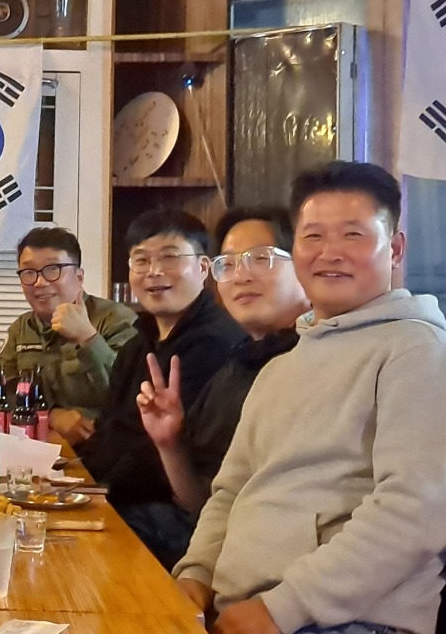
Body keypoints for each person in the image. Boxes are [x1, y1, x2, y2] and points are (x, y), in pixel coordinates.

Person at [174, 161, 446, 634]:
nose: (329, 253)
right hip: (242, 610)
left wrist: (281, 609)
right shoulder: (280, 366)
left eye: (353, 235)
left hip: (346, 620)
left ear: (396, 249)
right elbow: (231, 492)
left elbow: (415, 508)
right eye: (313, 236)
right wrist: (195, 576)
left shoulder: (416, 350)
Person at [134, 207, 309, 564]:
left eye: (260, 258)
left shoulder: (313, 361)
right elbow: (201, 504)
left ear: (305, 265)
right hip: (213, 546)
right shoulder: (241, 361)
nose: (240, 276)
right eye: (227, 264)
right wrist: (170, 443)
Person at [81, 209, 244, 567]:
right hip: (127, 496)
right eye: (141, 260)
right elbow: (110, 429)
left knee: (74, 549)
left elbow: (153, 458)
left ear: (204, 267)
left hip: (188, 514)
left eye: (170, 257)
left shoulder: (217, 343)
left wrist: (96, 490)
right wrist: (76, 479)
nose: (153, 271)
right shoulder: (138, 343)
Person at [0, 227, 137, 445]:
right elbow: (3, 392)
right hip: (39, 449)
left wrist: (88, 338)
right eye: (29, 272)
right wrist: (50, 415)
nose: (40, 282)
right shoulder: (21, 328)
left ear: (79, 276)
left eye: (53, 269)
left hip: (105, 450)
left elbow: (130, 395)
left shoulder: (116, 320)